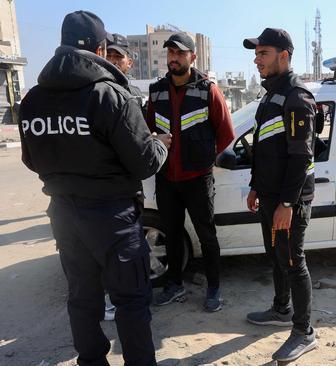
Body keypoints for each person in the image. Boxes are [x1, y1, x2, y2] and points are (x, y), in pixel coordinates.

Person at [19, 10, 170, 366]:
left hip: (64, 213)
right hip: (112, 217)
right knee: (131, 300)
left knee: (82, 298)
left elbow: (31, 160)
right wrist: (159, 143)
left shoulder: (33, 100)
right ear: (101, 50)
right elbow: (145, 162)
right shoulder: (110, 96)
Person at [243, 28, 317, 362]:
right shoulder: (271, 95)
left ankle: (304, 332)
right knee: (276, 255)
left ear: (283, 56)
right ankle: (280, 308)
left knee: (292, 260)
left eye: (263, 53)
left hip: (291, 198)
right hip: (271, 194)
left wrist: (288, 203)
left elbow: (301, 157)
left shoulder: (296, 97)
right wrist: (257, 185)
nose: (257, 60)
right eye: (256, 53)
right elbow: (264, 146)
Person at [147, 32, 235, 312]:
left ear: (192, 57)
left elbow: (225, 134)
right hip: (166, 179)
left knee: (206, 234)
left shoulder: (208, 90)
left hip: (197, 179)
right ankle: (174, 285)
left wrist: (204, 158)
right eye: (170, 53)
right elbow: (147, 131)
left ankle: (214, 288)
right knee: (171, 234)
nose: (173, 58)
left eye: (180, 53)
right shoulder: (157, 90)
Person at [104, 32, 145, 322]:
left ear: (129, 62)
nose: (115, 61)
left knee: (123, 251)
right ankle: (109, 300)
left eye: (119, 57)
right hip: (106, 185)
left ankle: (120, 299)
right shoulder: (98, 92)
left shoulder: (132, 95)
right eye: (110, 56)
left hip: (128, 183)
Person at [106, 33, 145, 108]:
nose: (112, 61)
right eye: (108, 55)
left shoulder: (135, 94)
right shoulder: (94, 91)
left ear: (129, 63)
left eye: (118, 56)